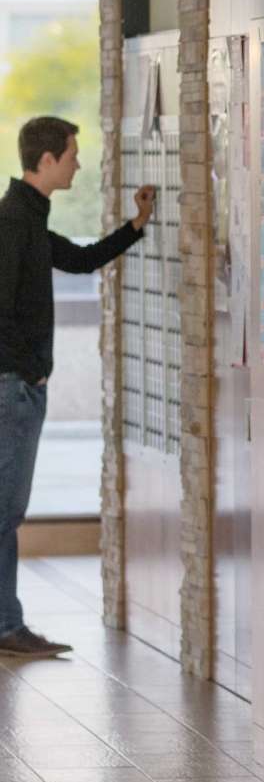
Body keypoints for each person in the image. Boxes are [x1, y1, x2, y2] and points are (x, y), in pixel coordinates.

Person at [0, 116, 154, 658]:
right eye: (71, 155)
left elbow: (79, 259)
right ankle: (4, 626)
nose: (77, 164)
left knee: (6, 509)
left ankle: (5, 623)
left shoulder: (25, 216)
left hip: (19, 383)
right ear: (46, 161)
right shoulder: (13, 221)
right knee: (5, 509)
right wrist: (30, 370)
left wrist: (137, 226)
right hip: (13, 388)